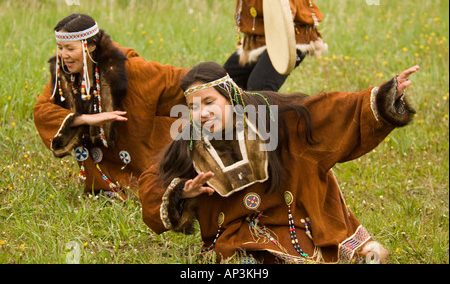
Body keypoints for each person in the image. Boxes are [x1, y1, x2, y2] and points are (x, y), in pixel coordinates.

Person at [139, 61, 419, 263]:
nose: (201, 114)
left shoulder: (270, 114)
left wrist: (385, 97)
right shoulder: (188, 142)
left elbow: (327, 111)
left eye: (209, 102)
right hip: (236, 230)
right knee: (244, 257)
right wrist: (181, 192)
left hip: (292, 216)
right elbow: (152, 181)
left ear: (230, 97)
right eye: (193, 107)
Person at [34, 13, 188, 200]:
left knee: (157, 181)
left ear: (91, 46)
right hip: (102, 167)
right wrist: (83, 119)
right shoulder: (62, 75)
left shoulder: (125, 67)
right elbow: (42, 110)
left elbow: (171, 80)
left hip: (139, 146)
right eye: (59, 48)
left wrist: (215, 84)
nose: (63, 55)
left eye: (70, 48)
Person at [223, 0, 327, 92]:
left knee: (260, 86)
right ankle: (243, 108)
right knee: (226, 82)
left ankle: (264, 108)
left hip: (290, 36)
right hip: (259, 38)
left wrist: (285, 11)